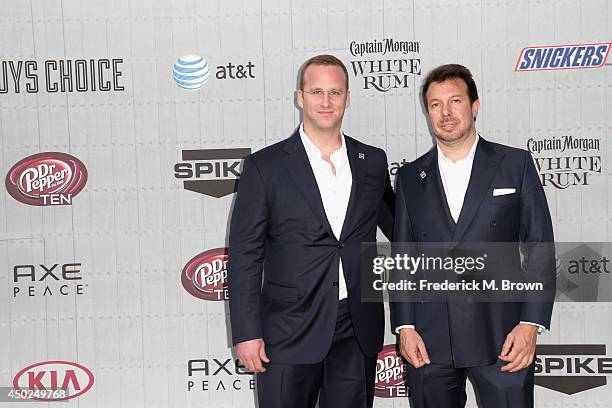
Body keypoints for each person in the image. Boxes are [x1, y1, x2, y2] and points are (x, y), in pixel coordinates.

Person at [227, 54, 395, 408]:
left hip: (356, 327)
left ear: (348, 98)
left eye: (335, 92)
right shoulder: (264, 166)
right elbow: (245, 255)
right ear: (300, 97)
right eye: (316, 91)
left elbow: (403, 228)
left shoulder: (373, 161)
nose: (326, 101)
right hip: (288, 330)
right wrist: (246, 333)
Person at [390, 64, 555, 408]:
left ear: (474, 106)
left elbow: (540, 246)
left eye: (455, 101)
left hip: (503, 335)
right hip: (428, 340)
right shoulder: (408, 177)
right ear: (427, 112)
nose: (446, 113)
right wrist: (404, 326)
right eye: (435, 104)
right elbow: (403, 257)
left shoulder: (515, 164)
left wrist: (530, 323)